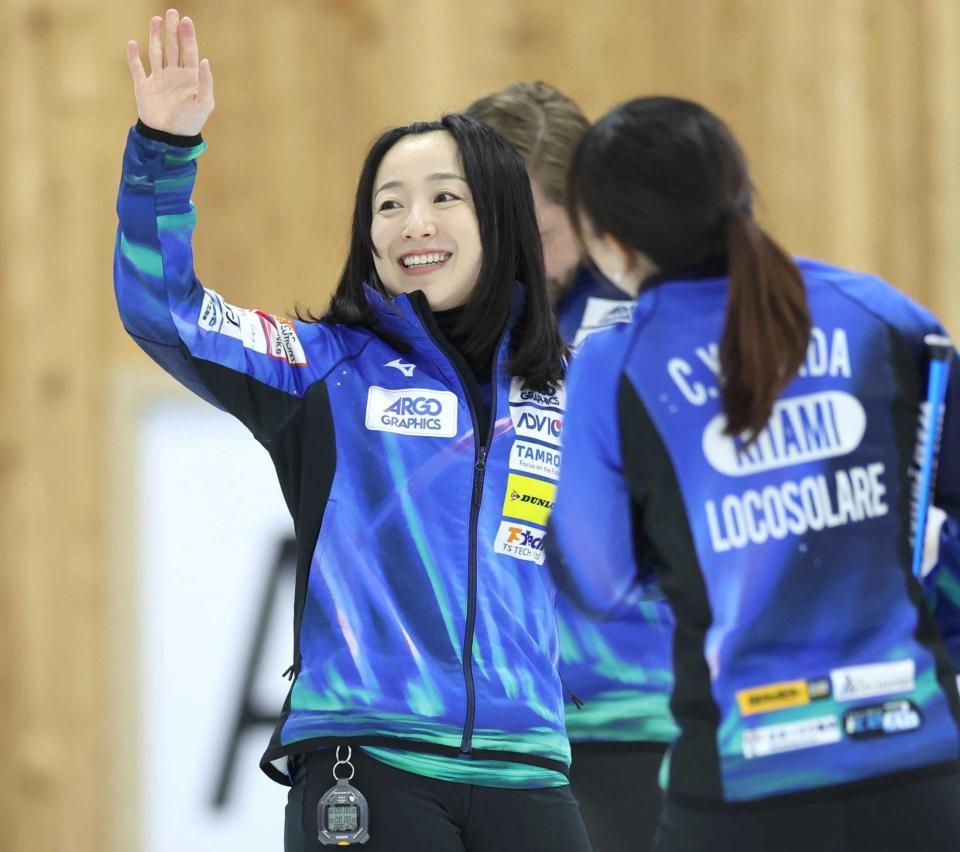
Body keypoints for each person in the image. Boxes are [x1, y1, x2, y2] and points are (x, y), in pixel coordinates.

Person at [117, 11, 593, 852]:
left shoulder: (564, 378)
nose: (412, 223)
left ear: (502, 219)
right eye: (388, 203)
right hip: (370, 764)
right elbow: (167, 313)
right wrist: (164, 150)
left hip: (532, 770)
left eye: (445, 198)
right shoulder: (323, 368)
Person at [547, 95, 960, 852]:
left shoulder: (613, 363)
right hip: (922, 767)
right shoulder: (883, 314)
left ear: (608, 243)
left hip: (743, 789)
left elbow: (595, 579)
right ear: (740, 188)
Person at [466, 82, 677, 852]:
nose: (518, 260)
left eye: (541, 234)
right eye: (493, 230)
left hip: (637, 723)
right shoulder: (424, 328)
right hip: (481, 736)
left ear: (591, 219)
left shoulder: (658, 322)